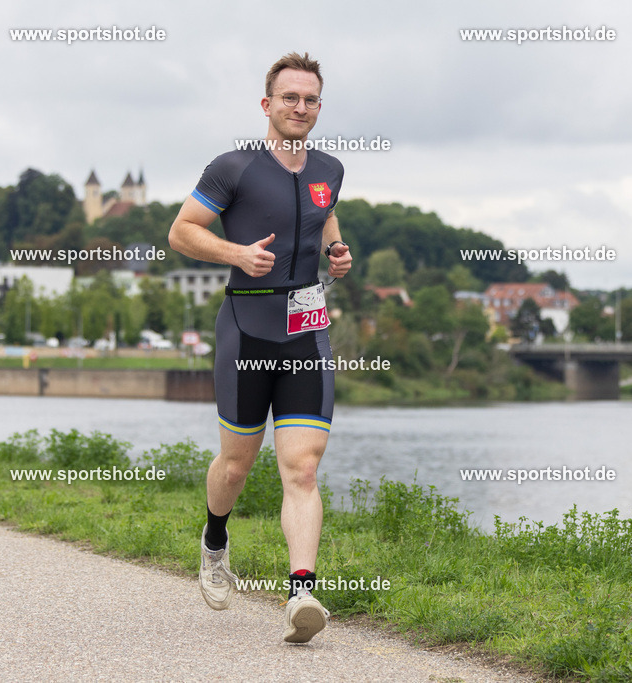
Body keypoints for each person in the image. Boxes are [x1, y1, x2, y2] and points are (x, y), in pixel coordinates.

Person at [169, 51, 352, 644]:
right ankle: (215, 540)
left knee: (303, 467)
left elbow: (323, 214)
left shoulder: (330, 168)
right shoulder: (234, 168)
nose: (301, 107)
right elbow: (182, 231)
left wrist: (336, 250)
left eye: (310, 99)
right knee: (236, 465)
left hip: (306, 326)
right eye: (290, 97)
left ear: (320, 107)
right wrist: (237, 254)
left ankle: (302, 592)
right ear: (267, 104)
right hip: (246, 325)